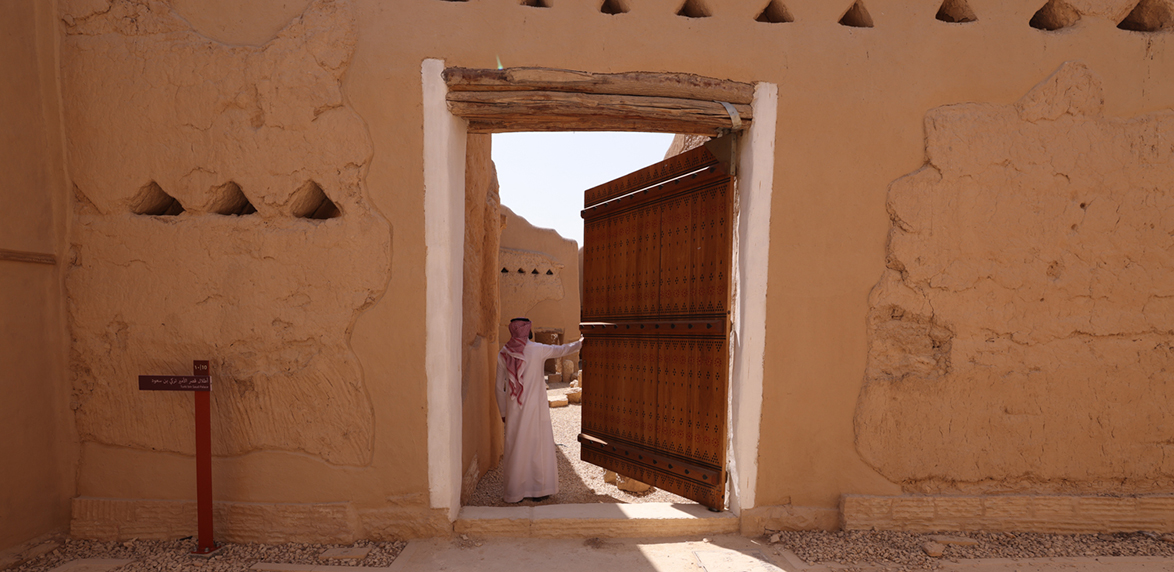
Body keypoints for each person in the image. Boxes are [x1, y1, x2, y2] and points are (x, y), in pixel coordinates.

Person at [495, 317, 583, 503]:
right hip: (536, 409)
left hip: (514, 411)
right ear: (528, 331)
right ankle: (539, 490)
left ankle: (515, 492)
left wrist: (503, 412)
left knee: (517, 446)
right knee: (537, 446)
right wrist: (582, 342)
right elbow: (563, 349)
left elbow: (498, 387)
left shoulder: (504, 353)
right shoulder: (538, 349)